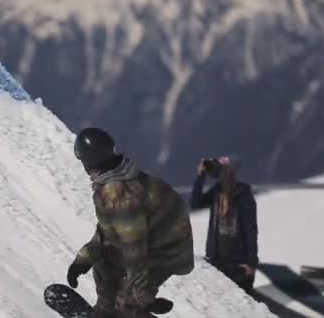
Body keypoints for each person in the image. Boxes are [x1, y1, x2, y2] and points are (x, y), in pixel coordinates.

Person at [67, 127, 195, 318]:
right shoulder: (115, 179)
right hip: (152, 241)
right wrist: (84, 259)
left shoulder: (119, 196)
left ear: (89, 161)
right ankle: (106, 310)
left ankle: (126, 311)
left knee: (127, 303)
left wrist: (142, 297)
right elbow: (108, 232)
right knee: (104, 258)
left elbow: (135, 251)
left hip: (168, 251)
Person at [190, 156, 258, 295]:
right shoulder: (217, 191)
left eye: (221, 167)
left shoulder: (243, 194)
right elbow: (195, 203)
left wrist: (251, 263)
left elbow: (251, 229)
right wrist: (200, 176)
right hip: (216, 261)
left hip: (237, 264)